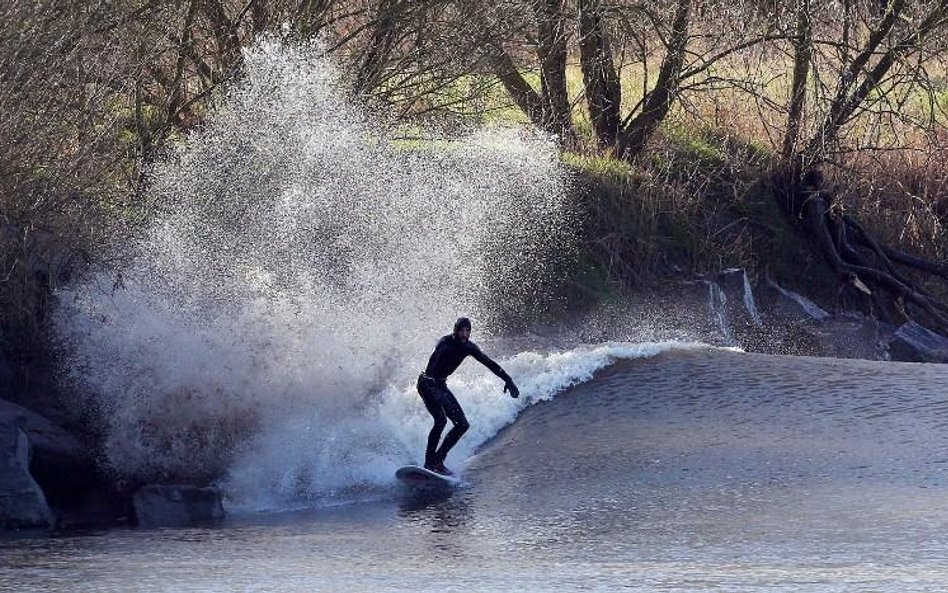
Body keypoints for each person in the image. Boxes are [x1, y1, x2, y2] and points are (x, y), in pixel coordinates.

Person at [416, 317, 519, 475]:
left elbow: (488, 362)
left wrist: (508, 379)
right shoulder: (444, 344)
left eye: (467, 331)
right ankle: (428, 463)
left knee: (462, 424)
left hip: (440, 386)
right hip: (427, 384)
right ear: (455, 330)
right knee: (441, 421)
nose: (464, 334)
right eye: (461, 330)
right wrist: (435, 388)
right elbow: (433, 364)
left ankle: (438, 461)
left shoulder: (469, 347)